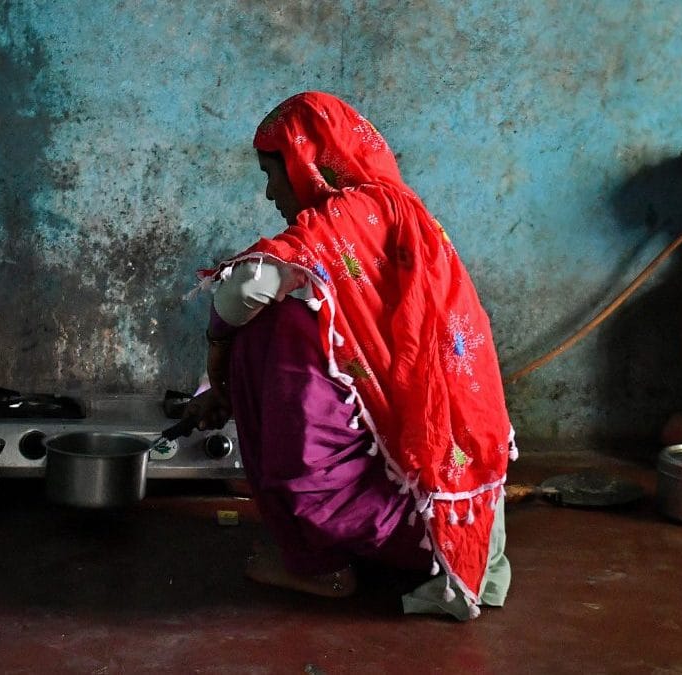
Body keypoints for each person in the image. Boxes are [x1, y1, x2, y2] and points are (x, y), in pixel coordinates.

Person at [186, 92, 515, 619]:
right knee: (301, 319)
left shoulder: (345, 218)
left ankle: (320, 565)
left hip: (409, 491)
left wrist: (218, 353)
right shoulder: (400, 212)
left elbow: (245, 289)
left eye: (275, 173)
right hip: (453, 493)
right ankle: (408, 548)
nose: (271, 193)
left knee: (274, 325)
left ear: (308, 166)